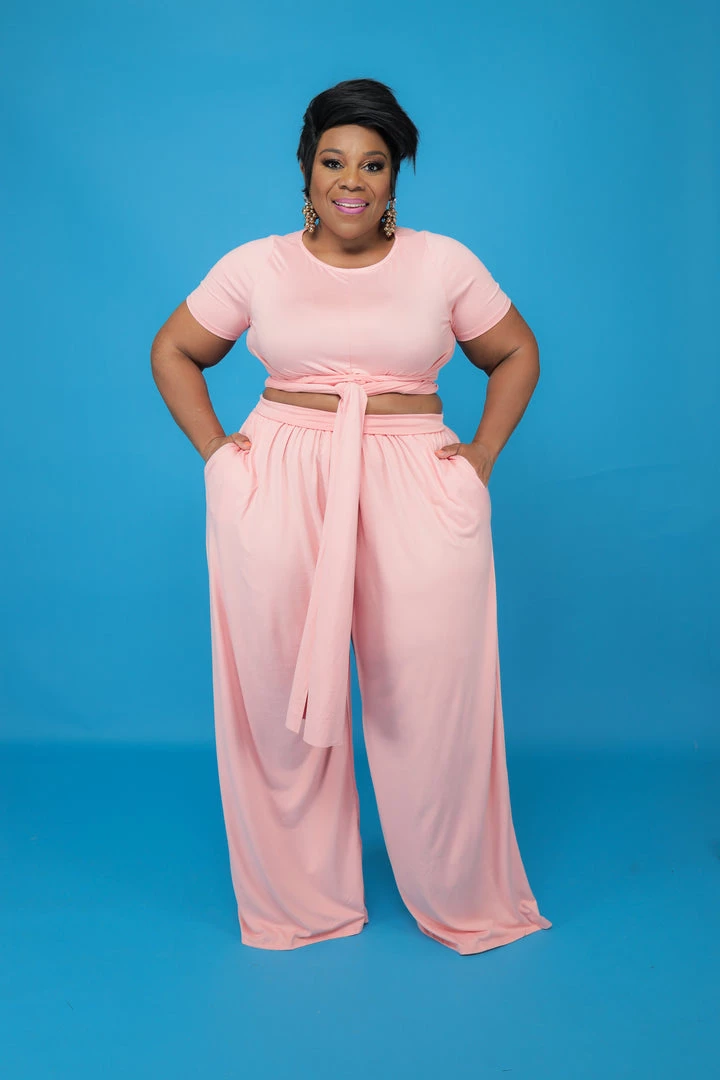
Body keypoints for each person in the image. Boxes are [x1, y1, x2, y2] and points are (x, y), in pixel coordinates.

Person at [150, 77, 552, 954]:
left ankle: (461, 893)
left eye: (373, 164)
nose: (352, 181)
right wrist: (218, 455)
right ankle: (301, 905)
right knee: (277, 697)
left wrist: (481, 457)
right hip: (282, 479)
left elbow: (515, 351)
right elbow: (175, 349)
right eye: (334, 161)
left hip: (415, 480)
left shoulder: (443, 263)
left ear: (395, 176)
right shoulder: (257, 265)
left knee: (433, 694)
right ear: (306, 169)